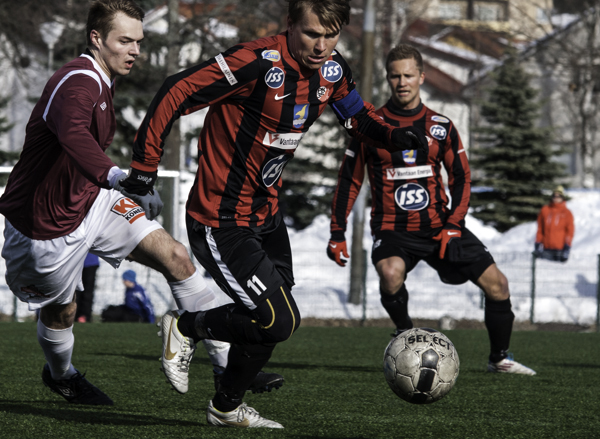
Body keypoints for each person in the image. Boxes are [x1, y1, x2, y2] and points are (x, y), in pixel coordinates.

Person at [131, 0, 427, 428]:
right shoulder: (253, 62)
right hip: (222, 217)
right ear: (289, 25)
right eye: (311, 34)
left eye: (331, 35)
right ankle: (186, 327)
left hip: (267, 214)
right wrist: (144, 168)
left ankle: (226, 407)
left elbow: (358, 119)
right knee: (277, 319)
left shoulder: (331, 70)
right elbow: (175, 90)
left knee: (274, 315)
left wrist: (394, 136)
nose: (322, 45)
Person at [0, 0, 277, 407]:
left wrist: (111, 184)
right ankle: (61, 376)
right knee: (61, 312)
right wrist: (116, 176)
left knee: (177, 258)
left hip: (93, 201)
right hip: (44, 226)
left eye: (139, 41)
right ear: (96, 38)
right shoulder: (78, 82)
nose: (135, 50)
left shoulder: (102, 80)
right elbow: (73, 135)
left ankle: (228, 369)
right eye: (124, 41)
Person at [327, 44, 536, 377]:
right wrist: (337, 231)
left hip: (440, 226)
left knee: (498, 284)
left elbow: (461, 177)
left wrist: (454, 224)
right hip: (393, 230)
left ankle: (500, 358)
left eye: (408, 75)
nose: (402, 82)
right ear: (387, 78)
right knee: (391, 273)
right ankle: (405, 334)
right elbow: (348, 181)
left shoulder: (441, 126)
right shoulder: (369, 126)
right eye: (395, 75)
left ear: (422, 77)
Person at [533, 185, 574, 262]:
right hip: (546, 248)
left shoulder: (567, 213)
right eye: (554, 196)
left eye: (559, 196)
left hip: (560, 249)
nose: (556, 198)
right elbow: (540, 228)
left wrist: (567, 246)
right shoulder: (545, 210)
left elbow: (570, 231)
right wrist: (538, 242)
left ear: (562, 198)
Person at [75, 253, 100, 323]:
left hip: (90, 262)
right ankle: (74, 314)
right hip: (76, 262)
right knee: (76, 291)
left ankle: (85, 315)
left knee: (87, 291)